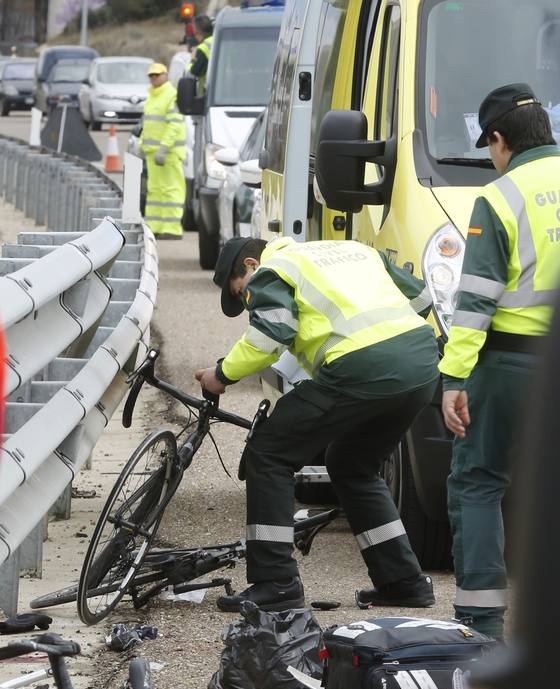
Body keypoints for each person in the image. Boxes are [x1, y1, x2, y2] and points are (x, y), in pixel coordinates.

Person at [195, 236, 440, 613]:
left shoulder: (273, 271)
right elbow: (423, 300)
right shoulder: (355, 250)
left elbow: (267, 338)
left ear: (248, 265)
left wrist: (221, 374)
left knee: (269, 451)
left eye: (242, 293)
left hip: (361, 367)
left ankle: (275, 582)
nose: (249, 302)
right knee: (351, 464)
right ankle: (403, 581)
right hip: (421, 363)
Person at [439, 83, 560, 639]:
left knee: (480, 482)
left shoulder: (501, 197)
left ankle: (482, 622)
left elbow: (475, 301)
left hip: (512, 365)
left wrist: (453, 377)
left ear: (498, 139)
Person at [140, 62, 186, 240]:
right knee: (155, 190)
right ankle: (154, 226)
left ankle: (172, 228)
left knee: (171, 190)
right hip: (153, 153)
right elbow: (149, 123)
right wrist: (142, 144)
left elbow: (174, 125)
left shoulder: (171, 95)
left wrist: (164, 148)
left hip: (168, 153)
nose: (154, 78)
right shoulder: (152, 97)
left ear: (165, 75)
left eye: (157, 75)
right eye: (151, 76)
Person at [188, 15, 213, 94]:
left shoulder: (203, 48)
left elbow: (192, 73)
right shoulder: (219, 40)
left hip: (208, 91)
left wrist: (192, 59)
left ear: (197, 31)